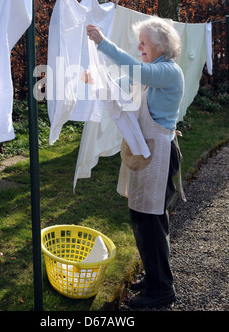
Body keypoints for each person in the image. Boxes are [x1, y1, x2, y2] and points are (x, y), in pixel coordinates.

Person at [85, 17, 184, 309]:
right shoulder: (152, 72)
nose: (139, 45)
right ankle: (154, 278)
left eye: (144, 41)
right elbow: (119, 84)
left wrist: (103, 44)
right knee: (141, 220)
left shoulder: (167, 72)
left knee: (151, 223)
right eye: (139, 41)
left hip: (159, 154)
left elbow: (135, 71)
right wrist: (95, 80)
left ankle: (162, 290)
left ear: (162, 45)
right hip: (146, 153)